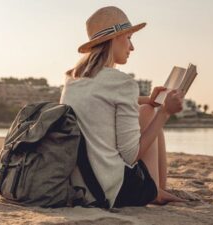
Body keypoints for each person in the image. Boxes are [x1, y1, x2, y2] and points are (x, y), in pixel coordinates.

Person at [60, 6, 184, 208]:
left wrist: (146, 100)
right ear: (115, 38)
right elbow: (131, 155)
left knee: (146, 108)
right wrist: (165, 112)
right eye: (129, 38)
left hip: (81, 185)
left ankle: (159, 190)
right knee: (149, 114)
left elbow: (99, 105)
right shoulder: (121, 82)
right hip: (109, 190)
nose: (132, 47)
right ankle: (156, 191)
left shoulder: (73, 79)